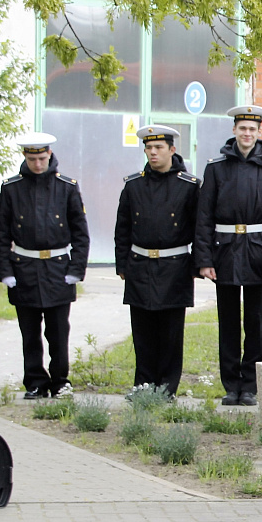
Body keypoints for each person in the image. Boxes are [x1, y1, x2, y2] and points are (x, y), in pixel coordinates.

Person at [194, 104, 262, 407]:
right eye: (242, 129)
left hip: (259, 253)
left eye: (252, 129)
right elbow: (204, 216)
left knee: (257, 323)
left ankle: (251, 386)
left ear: (259, 133)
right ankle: (231, 385)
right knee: (229, 322)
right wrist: (204, 260)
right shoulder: (216, 169)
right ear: (234, 131)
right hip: (225, 252)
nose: (247, 134)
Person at [0, 133, 90, 399]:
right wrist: (5, 271)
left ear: (50, 154)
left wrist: (76, 270)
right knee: (30, 333)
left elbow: (81, 233)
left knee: (58, 331)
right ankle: (35, 381)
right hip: (24, 267)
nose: (37, 164)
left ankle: (60, 380)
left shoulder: (67, 187)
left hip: (58, 268)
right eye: (32, 158)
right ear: (25, 157)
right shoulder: (12, 188)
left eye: (41, 158)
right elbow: (2, 235)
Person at [115, 125, 201, 396]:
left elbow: (199, 228)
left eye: (158, 148)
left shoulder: (189, 186)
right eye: (148, 148)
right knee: (142, 332)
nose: (153, 153)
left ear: (172, 150)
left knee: (170, 333)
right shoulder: (133, 184)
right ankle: (143, 386)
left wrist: (196, 265)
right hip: (140, 265)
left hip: (174, 266)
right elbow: (123, 227)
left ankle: (166, 389)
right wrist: (122, 264)